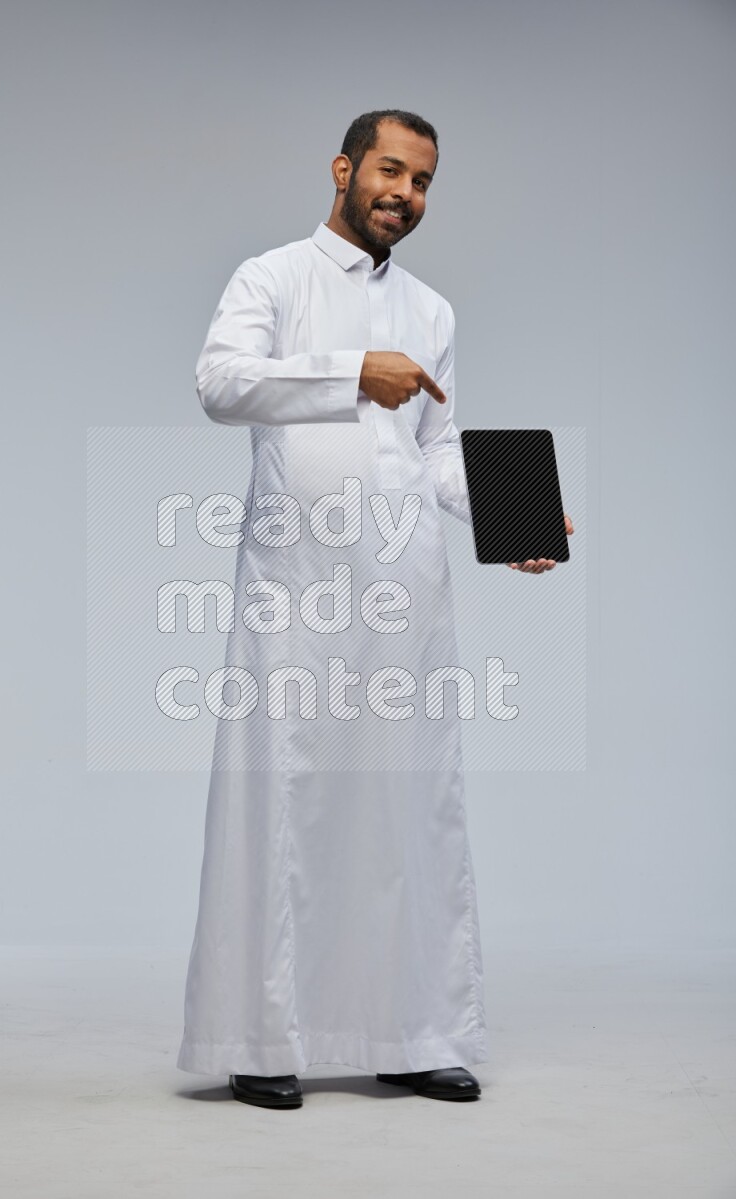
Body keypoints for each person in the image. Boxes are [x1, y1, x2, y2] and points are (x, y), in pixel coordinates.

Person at [177, 109, 573, 1110]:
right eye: (390, 170)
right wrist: (354, 371)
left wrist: (513, 517)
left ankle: (412, 1030)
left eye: (422, 180)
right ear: (343, 167)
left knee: (408, 808)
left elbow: (435, 449)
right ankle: (263, 1038)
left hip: (405, 595)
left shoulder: (431, 310)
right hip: (296, 588)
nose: (404, 192)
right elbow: (220, 384)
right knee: (285, 802)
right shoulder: (272, 278)